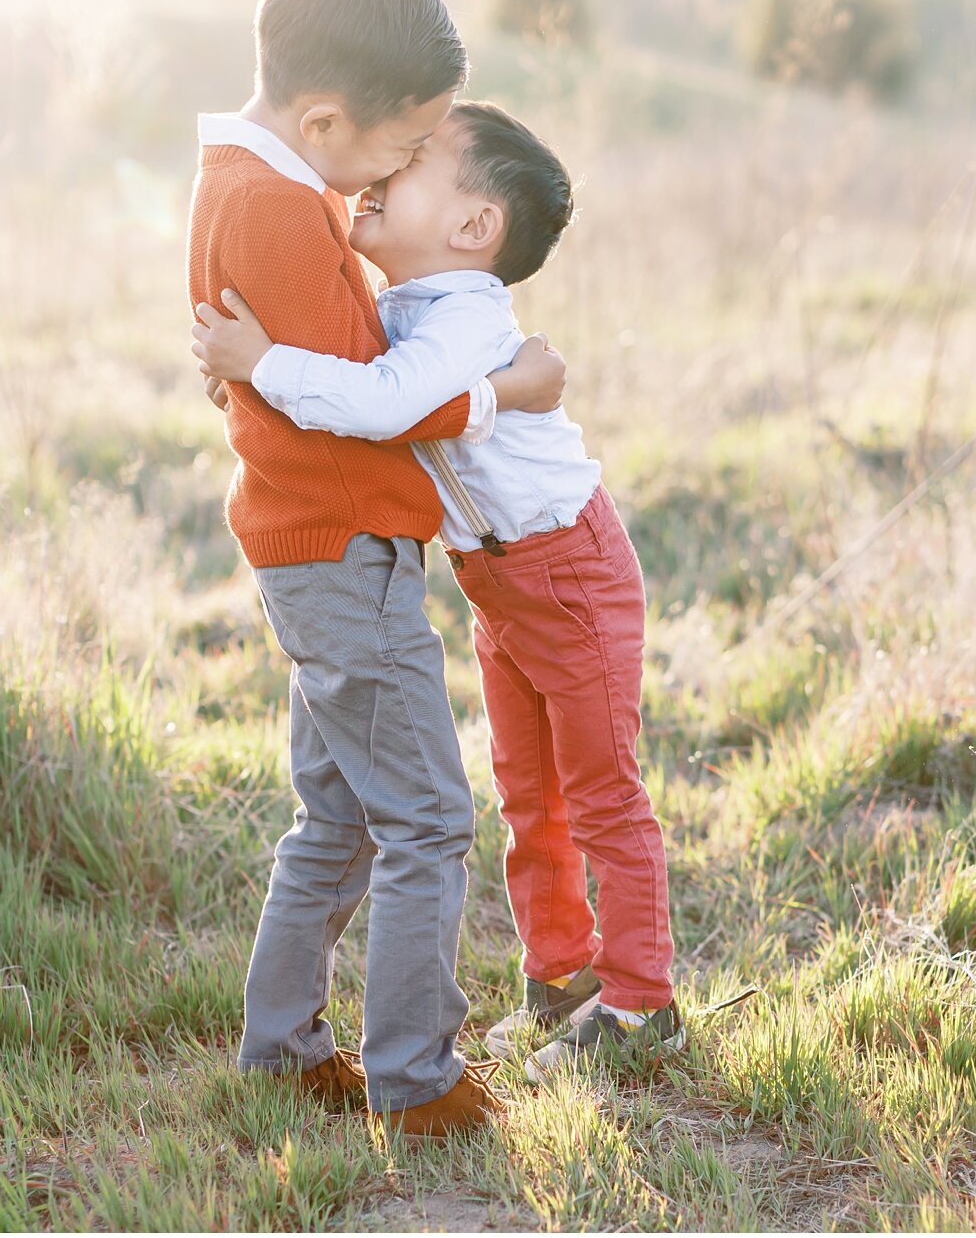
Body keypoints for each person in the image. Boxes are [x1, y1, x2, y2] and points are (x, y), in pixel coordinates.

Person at [192, 100, 679, 1082]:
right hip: (499, 581)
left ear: (470, 228)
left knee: (600, 792)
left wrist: (262, 364)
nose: (383, 168)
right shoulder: (403, 307)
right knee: (527, 793)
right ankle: (561, 978)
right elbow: (357, 374)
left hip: (570, 571)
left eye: (415, 162)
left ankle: (639, 1001)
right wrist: (250, 380)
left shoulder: (460, 319)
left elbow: (375, 403)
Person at [186, 0, 565, 1139]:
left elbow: (297, 372)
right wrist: (508, 389)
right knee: (426, 817)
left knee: (340, 815)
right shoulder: (276, 207)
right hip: (342, 550)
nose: (401, 168)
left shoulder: (251, 183)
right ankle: (417, 1075)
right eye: (400, 145)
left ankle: (282, 1048)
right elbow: (366, 394)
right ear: (325, 117)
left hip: (317, 546)